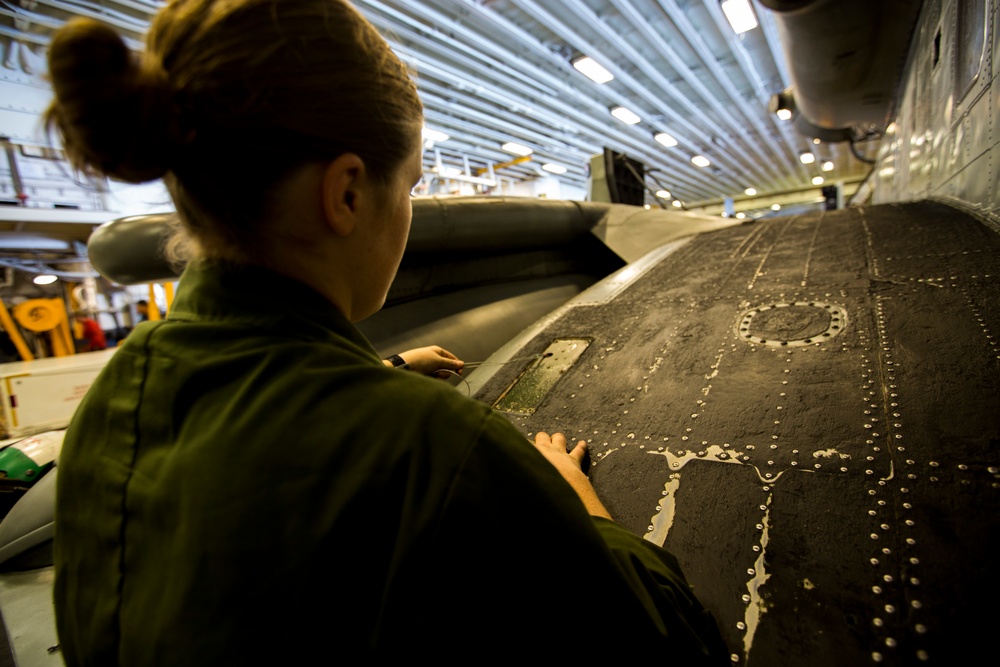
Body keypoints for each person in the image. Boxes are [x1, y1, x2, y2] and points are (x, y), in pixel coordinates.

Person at [45, 1, 728, 663]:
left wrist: (388, 370)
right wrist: (581, 512)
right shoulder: (433, 447)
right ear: (345, 193)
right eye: (408, 184)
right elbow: (668, 639)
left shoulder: (112, 403)